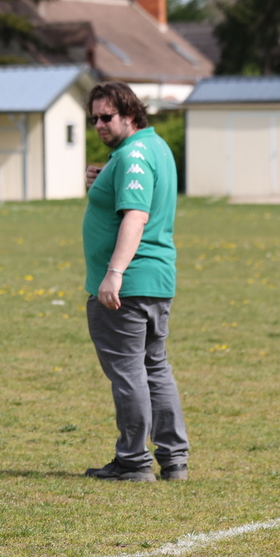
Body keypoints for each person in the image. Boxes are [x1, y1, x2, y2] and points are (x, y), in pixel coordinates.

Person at [81, 81, 189, 482]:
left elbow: (136, 215)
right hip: (157, 280)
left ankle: (133, 461)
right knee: (154, 367)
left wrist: (114, 274)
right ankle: (174, 459)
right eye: (93, 119)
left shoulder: (132, 156)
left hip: (128, 285)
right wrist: (102, 180)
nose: (99, 125)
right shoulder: (155, 147)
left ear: (130, 114)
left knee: (129, 372)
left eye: (106, 117)